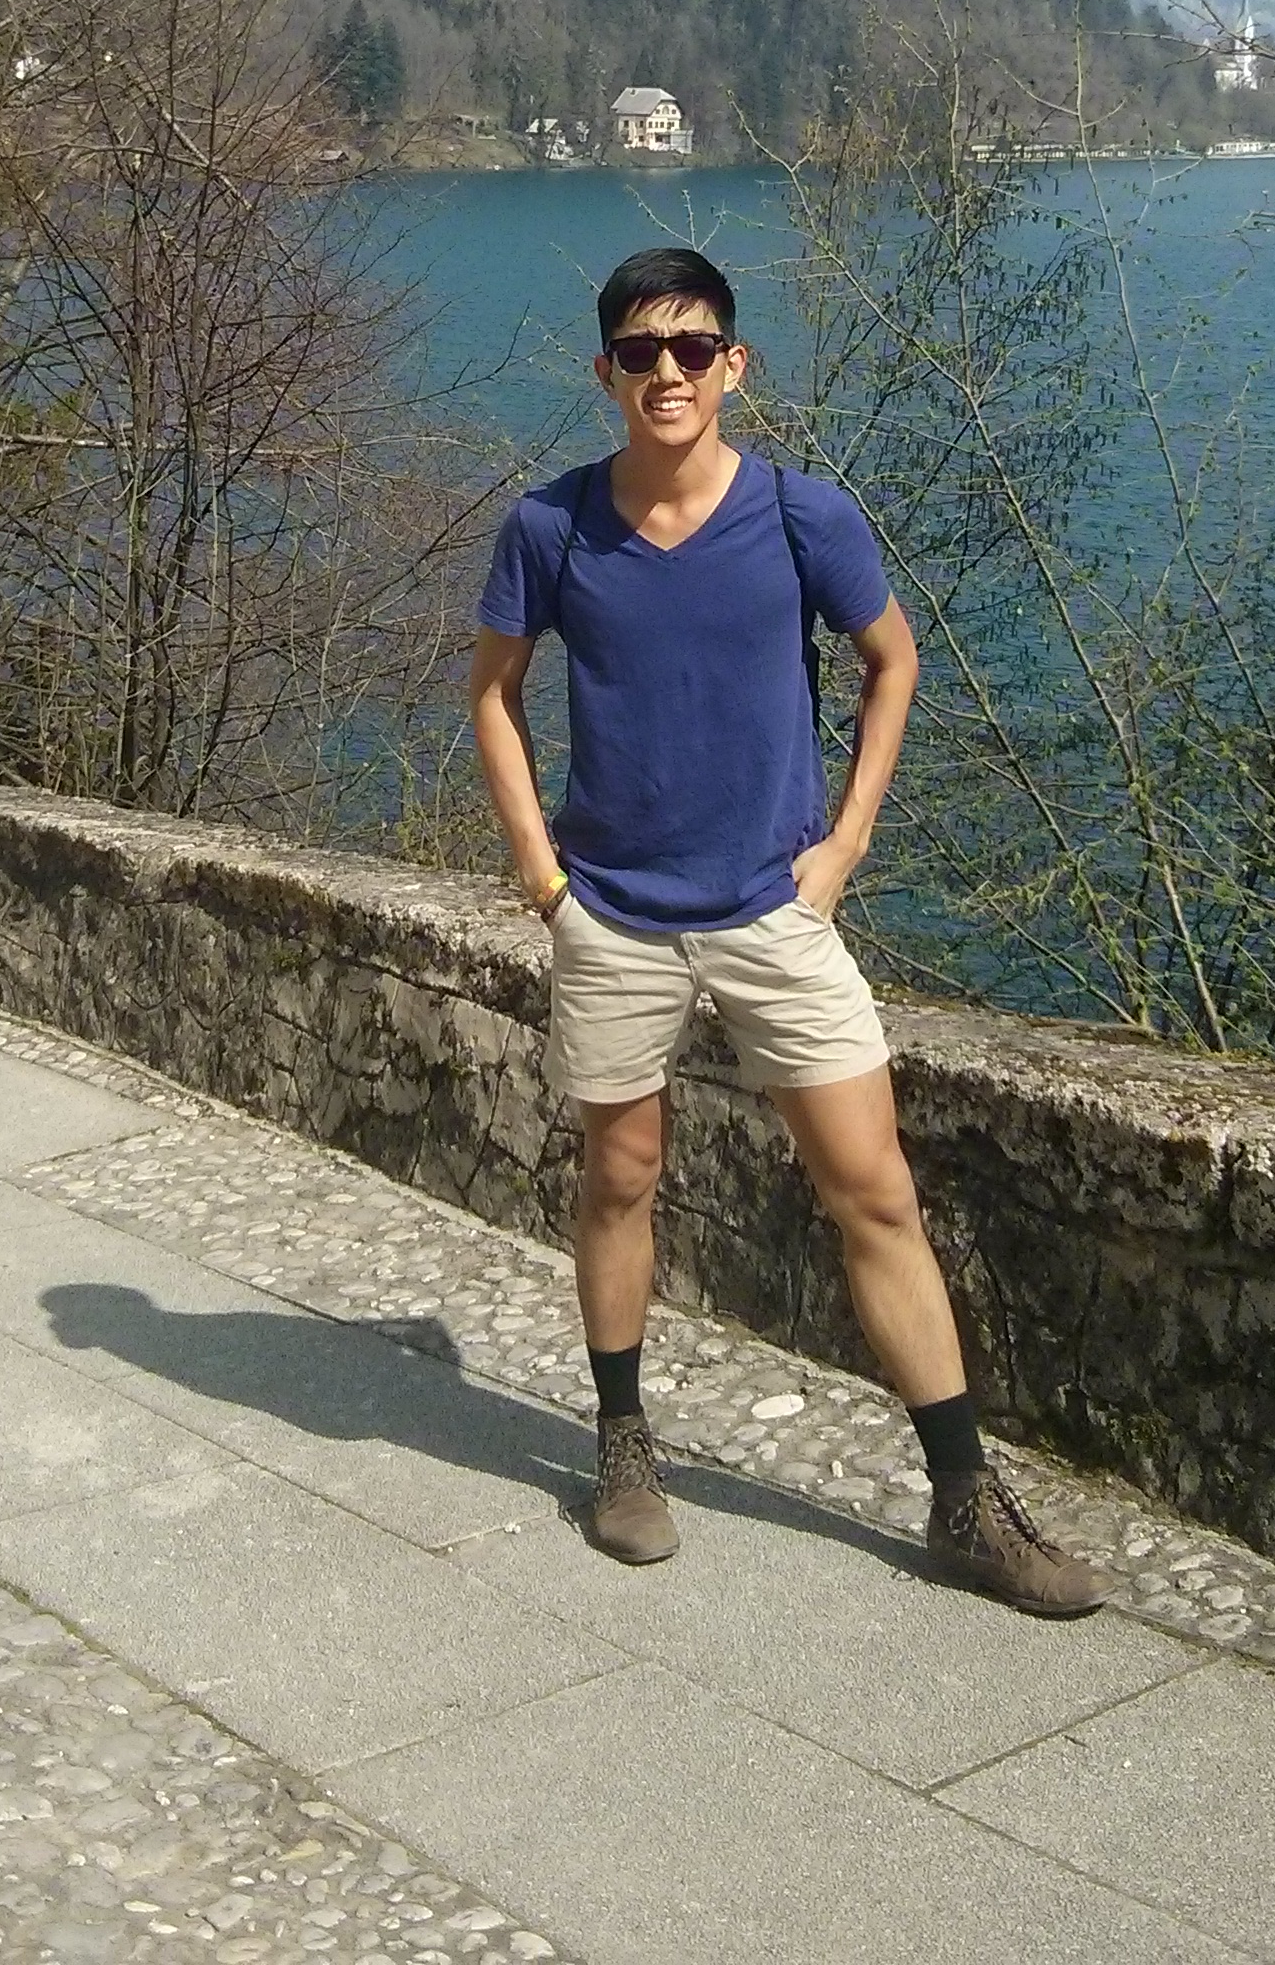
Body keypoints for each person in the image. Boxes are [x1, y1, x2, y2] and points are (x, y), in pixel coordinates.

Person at [468, 244, 1103, 1615]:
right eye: (642, 353)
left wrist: (846, 844)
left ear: (734, 365)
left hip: (774, 910)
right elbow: (494, 694)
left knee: (875, 1191)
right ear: (606, 373)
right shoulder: (550, 526)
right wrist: (543, 877)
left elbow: (893, 661)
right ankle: (623, 1445)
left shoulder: (803, 516)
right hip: (613, 917)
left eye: (693, 348)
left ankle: (965, 1502)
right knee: (622, 1177)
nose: (669, 373)